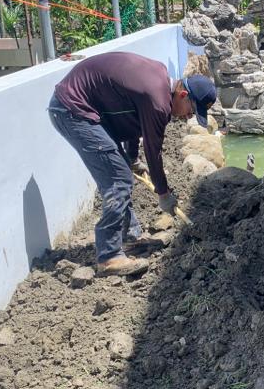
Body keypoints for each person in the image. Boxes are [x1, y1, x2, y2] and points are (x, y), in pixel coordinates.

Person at [48, 52, 217, 276]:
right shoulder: (158, 101)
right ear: (183, 94)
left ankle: (128, 238)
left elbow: (133, 121)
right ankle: (109, 257)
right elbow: (153, 151)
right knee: (118, 179)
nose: (188, 117)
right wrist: (163, 193)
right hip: (72, 110)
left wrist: (132, 159)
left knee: (121, 171)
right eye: (192, 111)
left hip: (84, 109)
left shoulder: (159, 82)